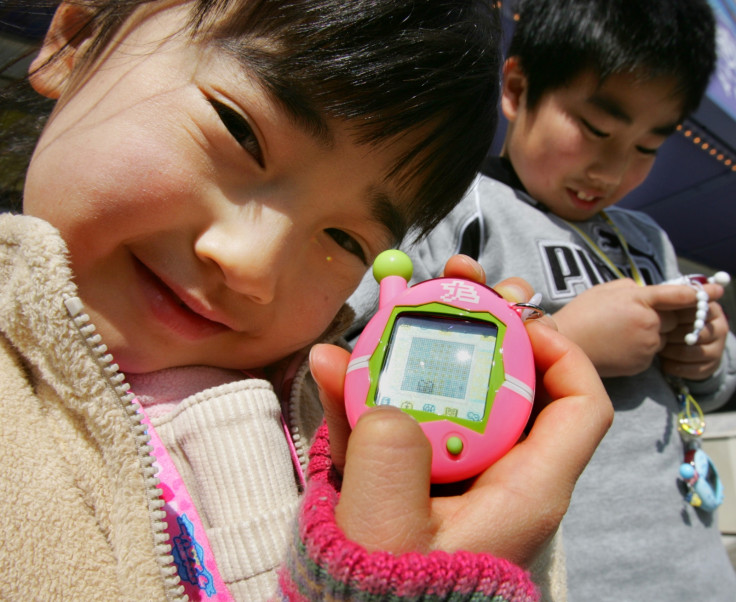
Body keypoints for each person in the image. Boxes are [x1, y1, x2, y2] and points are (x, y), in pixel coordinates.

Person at [0, 1, 614, 600]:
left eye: (346, 239)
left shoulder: (349, 432)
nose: (252, 266)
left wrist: (450, 527)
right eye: (240, 130)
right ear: (75, 38)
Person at [349, 0, 736, 600]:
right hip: (567, 575)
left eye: (646, 147)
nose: (612, 168)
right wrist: (566, 342)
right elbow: (363, 366)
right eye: (597, 129)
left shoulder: (647, 239)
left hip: (698, 568)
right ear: (517, 88)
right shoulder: (451, 206)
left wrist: (707, 357)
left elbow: (710, 385)